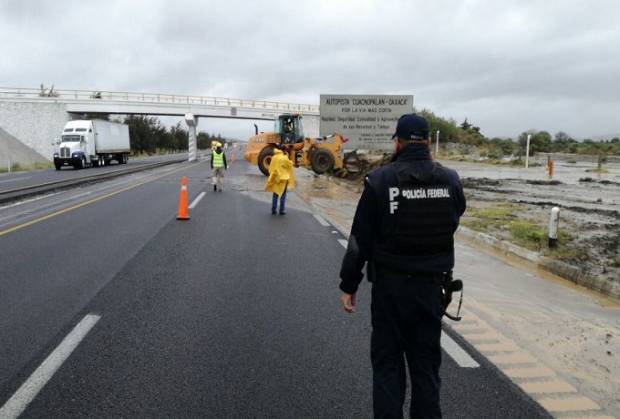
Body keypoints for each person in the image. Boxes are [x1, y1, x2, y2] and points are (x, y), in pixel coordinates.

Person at [339, 113, 466, 418]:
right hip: (431, 291)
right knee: (425, 370)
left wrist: (349, 285)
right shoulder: (450, 180)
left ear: (397, 142)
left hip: (390, 292)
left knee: (388, 369)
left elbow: (360, 241)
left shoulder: (380, 181)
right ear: (427, 142)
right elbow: (455, 216)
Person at [265, 146, 295, 215]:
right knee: (283, 195)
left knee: (275, 194)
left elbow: (271, 168)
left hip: (275, 178)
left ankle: (273, 209)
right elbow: (290, 165)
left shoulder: (274, 157)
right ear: (284, 150)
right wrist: (287, 156)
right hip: (283, 179)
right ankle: (281, 210)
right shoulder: (284, 158)